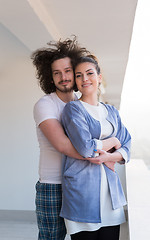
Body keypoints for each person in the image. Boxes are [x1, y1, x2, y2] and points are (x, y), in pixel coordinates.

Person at [32, 37, 118, 240]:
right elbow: (63, 145)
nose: (63, 77)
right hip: (54, 185)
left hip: (82, 184)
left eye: (68, 71)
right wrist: (106, 151)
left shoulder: (84, 106)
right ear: (50, 77)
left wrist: (110, 153)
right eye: (56, 73)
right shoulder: (45, 105)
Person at [60, 55, 132, 240]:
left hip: (110, 195)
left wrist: (107, 157)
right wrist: (114, 141)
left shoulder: (111, 112)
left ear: (99, 77)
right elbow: (85, 148)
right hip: (83, 194)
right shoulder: (73, 109)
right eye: (79, 75)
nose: (85, 79)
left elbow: (127, 145)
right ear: (75, 81)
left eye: (89, 73)